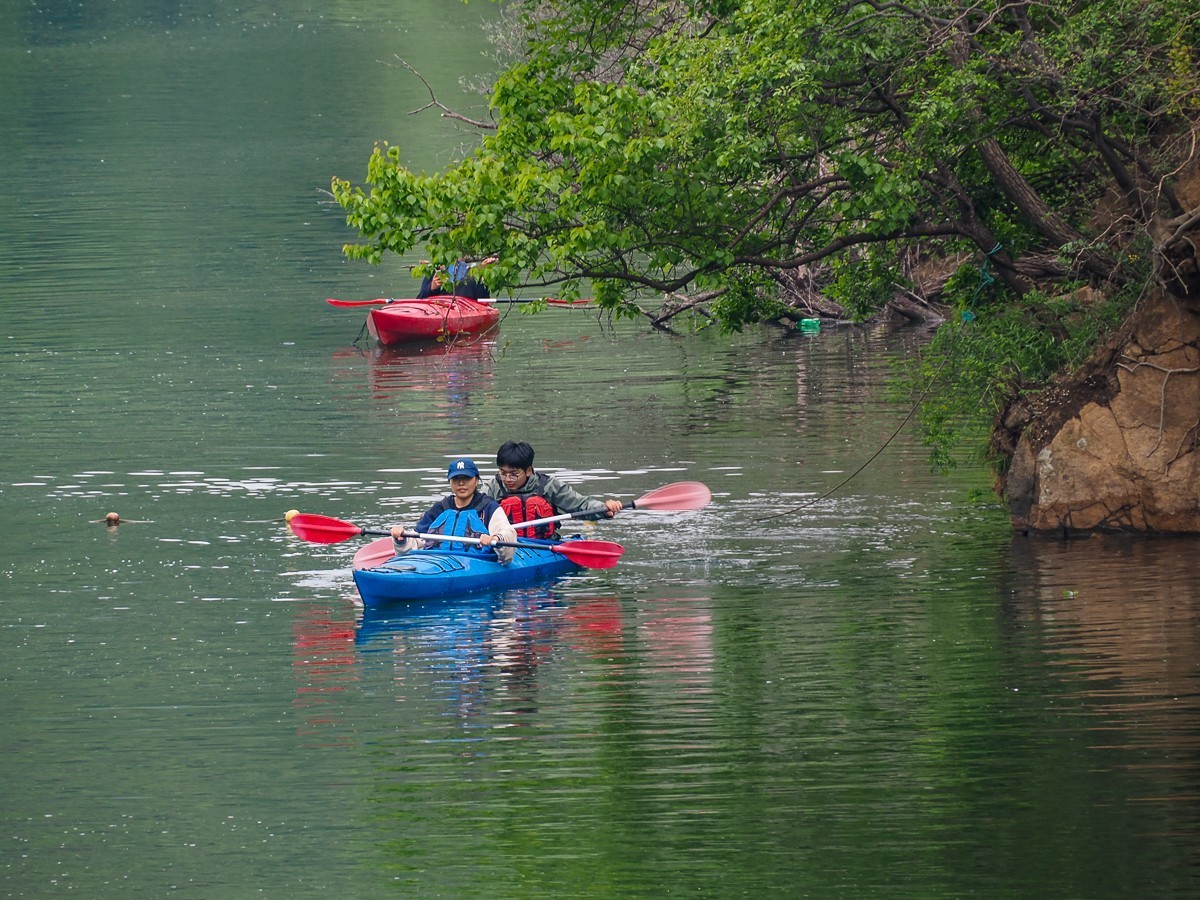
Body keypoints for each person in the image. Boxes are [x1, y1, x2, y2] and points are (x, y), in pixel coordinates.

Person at [484, 441, 623, 539]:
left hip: (545, 544)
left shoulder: (549, 486)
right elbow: (474, 512)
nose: (508, 479)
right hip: (505, 545)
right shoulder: (492, 487)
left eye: (514, 474)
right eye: (503, 473)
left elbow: (581, 505)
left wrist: (604, 509)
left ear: (528, 471)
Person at [391, 458, 517, 563]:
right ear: (449, 482)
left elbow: (508, 535)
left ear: (476, 480)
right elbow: (414, 542)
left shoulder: (489, 508)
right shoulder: (440, 508)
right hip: (436, 561)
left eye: (466, 478)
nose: (461, 483)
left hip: (476, 562)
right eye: (456, 479)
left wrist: (495, 538)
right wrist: (401, 539)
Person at [416, 257, 497, 301]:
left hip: (466, 311)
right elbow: (420, 299)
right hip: (439, 310)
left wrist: (482, 276)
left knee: (469, 281)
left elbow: (484, 300)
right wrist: (432, 287)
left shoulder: (474, 272)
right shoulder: (436, 270)